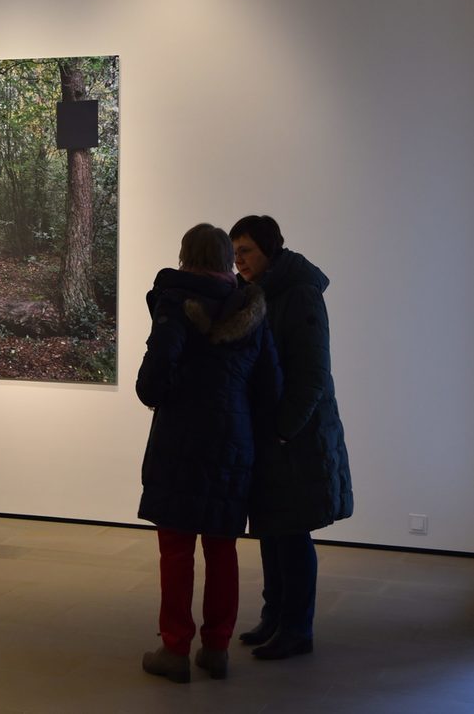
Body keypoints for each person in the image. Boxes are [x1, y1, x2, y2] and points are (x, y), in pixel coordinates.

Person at [136, 223, 281, 683]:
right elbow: (271, 385)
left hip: (180, 436)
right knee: (222, 548)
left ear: (184, 256)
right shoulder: (251, 307)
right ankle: (216, 648)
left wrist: (162, 393)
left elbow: (155, 375)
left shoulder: (175, 302)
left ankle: (175, 649)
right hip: (232, 439)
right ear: (225, 260)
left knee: (176, 549)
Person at [229, 215, 353, 660]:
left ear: (269, 248)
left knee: (292, 531)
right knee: (271, 527)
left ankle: (297, 628)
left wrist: (285, 429)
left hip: (296, 434)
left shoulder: (299, 293)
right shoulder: (258, 292)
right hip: (273, 430)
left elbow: (312, 374)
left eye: (245, 250)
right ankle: (274, 616)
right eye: (234, 251)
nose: (238, 259)